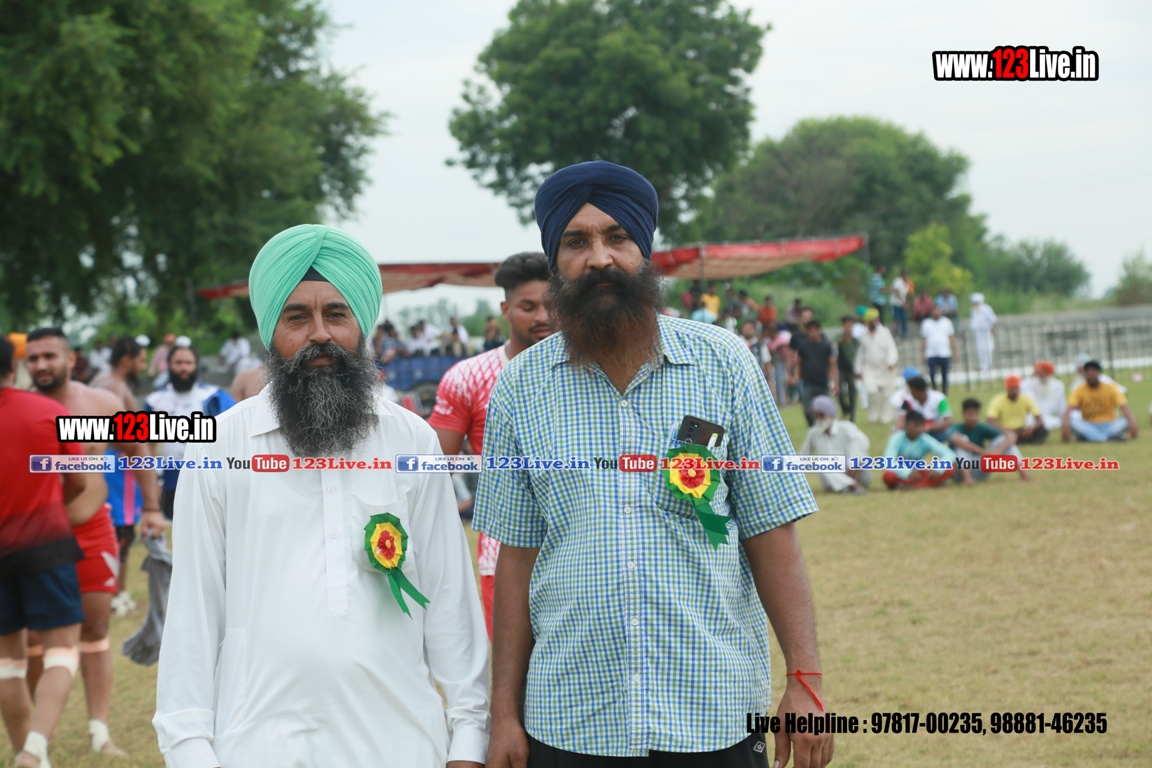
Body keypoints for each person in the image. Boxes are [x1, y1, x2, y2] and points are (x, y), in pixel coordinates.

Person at [478, 161, 832, 768]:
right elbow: (516, 557)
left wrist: (805, 679)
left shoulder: (724, 363)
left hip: (713, 710)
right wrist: (504, 715)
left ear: (645, 250)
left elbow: (771, 529)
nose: (599, 258)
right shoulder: (519, 388)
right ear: (555, 261)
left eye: (617, 237)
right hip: (571, 717)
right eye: (576, 242)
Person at [154, 224, 490, 767]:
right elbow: (194, 607)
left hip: (403, 745)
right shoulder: (219, 444)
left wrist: (469, 736)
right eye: (296, 318)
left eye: (336, 314)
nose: (319, 335)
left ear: (362, 325)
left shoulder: (411, 439)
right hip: (259, 746)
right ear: (270, 330)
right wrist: (191, 750)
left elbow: (448, 592)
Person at [24, 327, 166, 758]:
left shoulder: (101, 403)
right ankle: (39, 734)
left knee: (97, 628)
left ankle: (99, 733)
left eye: (49, 355)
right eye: (33, 358)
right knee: (34, 637)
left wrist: (152, 508)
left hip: (93, 529)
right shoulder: (19, 408)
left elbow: (137, 450)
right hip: (36, 536)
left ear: (71, 359)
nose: (41, 364)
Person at [429, 252, 553, 641]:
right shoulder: (468, 377)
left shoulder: (592, 371)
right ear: (505, 310)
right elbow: (430, 469)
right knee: (511, 670)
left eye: (551, 305)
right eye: (528, 307)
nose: (542, 317)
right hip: (503, 554)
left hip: (582, 551)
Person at [0, 337, 89, 768]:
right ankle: (34, 752)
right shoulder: (49, 411)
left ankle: (26, 754)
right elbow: (79, 480)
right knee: (61, 652)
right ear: (13, 366)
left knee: (7, 664)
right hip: (47, 545)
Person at [144, 346, 236, 521]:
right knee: (177, 527)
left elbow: (234, 434)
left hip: (209, 477)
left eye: (188, 362)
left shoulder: (214, 396)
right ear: (169, 365)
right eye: (178, 363)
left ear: (196, 365)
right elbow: (147, 445)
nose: (184, 368)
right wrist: (153, 479)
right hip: (172, 478)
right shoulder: (155, 400)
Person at [799, 395, 871, 493]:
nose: (819, 419)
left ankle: (850, 485)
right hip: (832, 480)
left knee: (858, 443)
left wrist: (852, 467)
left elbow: (863, 446)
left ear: (831, 415)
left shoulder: (847, 428)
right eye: (816, 416)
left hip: (858, 476)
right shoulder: (813, 433)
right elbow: (802, 458)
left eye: (821, 415)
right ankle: (852, 486)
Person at [949, 398, 1029, 484]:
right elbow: (956, 439)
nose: (973, 417)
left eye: (976, 413)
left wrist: (998, 451)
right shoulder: (956, 428)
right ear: (963, 414)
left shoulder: (981, 427)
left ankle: (1025, 475)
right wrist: (983, 452)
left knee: (1003, 440)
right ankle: (967, 478)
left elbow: (1011, 435)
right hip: (959, 471)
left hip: (980, 468)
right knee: (962, 441)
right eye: (970, 414)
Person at [1062, 360, 1137, 443]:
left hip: (1109, 424)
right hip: (1088, 424)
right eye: (1088, 373)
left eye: (1093, 372)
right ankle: (1108, 437)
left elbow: (1124, 407)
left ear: (1098, 373)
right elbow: (1068, 410)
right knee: (1072, 421)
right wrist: (1065, 426)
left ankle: (1090, 437)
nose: (1090, 376)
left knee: (1125, 420)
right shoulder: (1079, 390)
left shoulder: (1110, 388)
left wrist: (1132, 424)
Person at [882, 411, 957, 489]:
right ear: (906, 425)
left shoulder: (924, 438)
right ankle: (922, 484)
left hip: (918, 475)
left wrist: (938, 469)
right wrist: (907, 473)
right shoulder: (896, 438)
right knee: (888, 476)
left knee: (950, 468)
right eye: (915, 425)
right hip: (902, 474)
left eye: (921, 425)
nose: (918, 429)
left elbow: (949, 454)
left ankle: (910, 485)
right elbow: (889, 461)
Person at [789, 319, 838, 427]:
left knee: (825, 408)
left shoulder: (826, 345)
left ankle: (827, 427)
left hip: (823, 382)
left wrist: (835, 382)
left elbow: (832, 364)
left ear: (819, 331)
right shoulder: (803, 346)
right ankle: (813, 427)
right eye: (810, 330)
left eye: (815, 330)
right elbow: (799, 363)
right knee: (807, 409)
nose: (813, 332)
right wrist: (796, 376)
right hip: (808, 383)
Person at [855, 308, 899, 424]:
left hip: (886, 368)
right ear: (868, 321)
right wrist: (857, 369)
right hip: (870, 369)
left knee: (887, 395)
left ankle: (886, 418)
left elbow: (891, 348)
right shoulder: (862, 336)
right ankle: (872, 417)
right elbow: (860, 354)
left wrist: (891, 361)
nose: (875, 321)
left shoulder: (885, 332)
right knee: (871, 391)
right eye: (873, 320)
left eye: (877, 319)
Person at [986, 375, 1047, 444]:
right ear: (1007, 389)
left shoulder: (1026, 399)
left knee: (1042, 429)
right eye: (1011, 389)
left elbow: (1039, 419)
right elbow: (989, 421)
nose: (1014, 391)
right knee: (995, 433)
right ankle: (1019, 441)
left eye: (1015, 389)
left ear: (1019, 388)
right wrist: (1004, 430)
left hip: (1022, 430)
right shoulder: (998, 400)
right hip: (1005, 430)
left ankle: (1014, 441)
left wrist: (1031, 430)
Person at [90, 336, 148, 409]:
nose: (144, 367)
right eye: (141, 361)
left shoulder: (99, 378)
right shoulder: (117, 390)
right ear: (127, 360)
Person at [892, 376, 954, 442]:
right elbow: (901, 419)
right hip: (917, 432)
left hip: (937, 431)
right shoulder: (908, 401)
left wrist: (929, 427)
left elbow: (948, 422)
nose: (911, 393)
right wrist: (895, 436)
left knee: (948, 436)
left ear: (920, 391)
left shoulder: (940, 399)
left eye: (912, 391)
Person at [920, 303, 957, 395]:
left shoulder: (946, 322)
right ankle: (935, 390)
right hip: (931, 353)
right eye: (934, 311)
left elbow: (951, 337)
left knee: (945, 374)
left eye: (938, 311)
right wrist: (923, 353)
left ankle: (944, 392)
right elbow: (924, 339)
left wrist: (955, 351)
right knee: (932, 373)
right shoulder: (926, 323)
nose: (936, 313)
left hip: (944, 352)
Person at [1022, 361, 1066, 432]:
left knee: (1055, 422)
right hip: (1033, 418)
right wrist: (1032, 376)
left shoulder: (1058, 386)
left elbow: (1062, 407)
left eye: (1044, 373)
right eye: (1040, 373)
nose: (1042, 376)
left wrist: (1065, 422)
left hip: (1049, 418)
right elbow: (1021, 389)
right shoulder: (1032, 383)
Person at [837, 316, 859, 421]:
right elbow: (839, 343)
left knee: (852, 393)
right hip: (841, 369)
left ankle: (852, 417)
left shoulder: (855, 341)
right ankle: (845, 409)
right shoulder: (839, 338)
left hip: (852, 370)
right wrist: (846, 335)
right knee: (840, 392)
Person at [969, 293, 997, 372]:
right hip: (977, 334)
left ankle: (988, 364)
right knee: (979, 349)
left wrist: (991, 329)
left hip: (985, 332)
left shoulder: (986, 308)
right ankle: (982, 365)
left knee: (987, 348)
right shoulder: (973, 310)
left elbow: (993, 319)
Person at [766, 322, 792, 406]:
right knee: (778, 382)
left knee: (782, 382)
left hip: (785, 362)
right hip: (778, 363)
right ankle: (781, 401)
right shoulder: (772, 340)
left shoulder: (781, 338)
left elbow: (772, 347)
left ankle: (783, 401)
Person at [889, 270, 910, 338]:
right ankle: (895, 332)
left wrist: (906, 302)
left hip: (902, 304)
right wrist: (903, 302)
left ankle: (904, 333)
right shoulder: (897, 281)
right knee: (896, 318)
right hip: (896, 302)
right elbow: (896, 291)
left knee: (904, 317)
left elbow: (905, 294)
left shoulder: (906, 283)